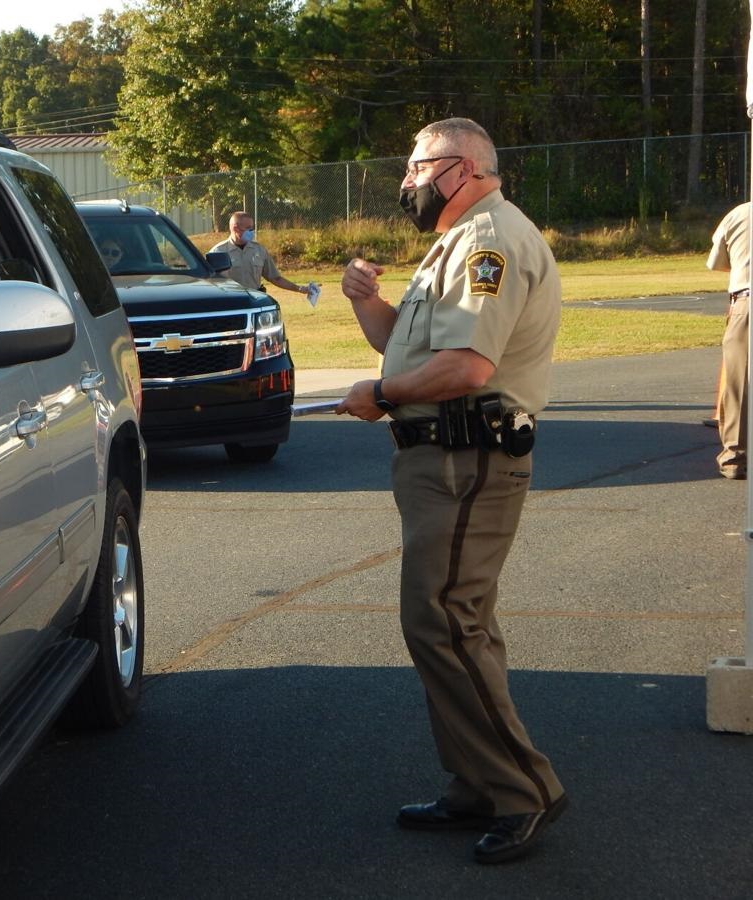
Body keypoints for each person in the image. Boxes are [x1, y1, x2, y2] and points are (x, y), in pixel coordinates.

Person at [335, 117, 566, 864]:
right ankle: (477, 779)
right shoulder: (458, 241)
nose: (406, 182)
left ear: (460, 168)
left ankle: (524, 789)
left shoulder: (489, 241)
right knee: (459, 623)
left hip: (469, 459)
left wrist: (379, 391)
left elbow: (466, 368)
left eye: (415, 167)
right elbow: (414, 343)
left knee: (443, 622)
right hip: (442, 459)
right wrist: (366, 305)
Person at [706, 201, 750, 479]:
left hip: (746, 301)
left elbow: (718, 263)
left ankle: (735, 457)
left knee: (738, 384)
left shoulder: (737, 214)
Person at [209, 211, 311, 297]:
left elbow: (275, 278)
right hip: (231, 302)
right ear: (236, 228)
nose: (252, 231)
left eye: (252, 228)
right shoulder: (217, 252)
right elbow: (209, 284)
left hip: (254, 300)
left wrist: (300, 288)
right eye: (248, 228)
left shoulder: (259, 250)